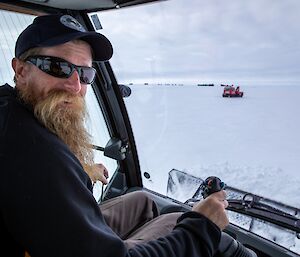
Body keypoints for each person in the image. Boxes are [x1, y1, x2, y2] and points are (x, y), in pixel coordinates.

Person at [0, 14, 229, 257]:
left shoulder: (10, 111)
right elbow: (41, 168)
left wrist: (81, 170)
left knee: (143, 201)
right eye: (58, 67)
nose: (76, 86)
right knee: (177, 221)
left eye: (85, 74)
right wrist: (201, 229)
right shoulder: (35, 153)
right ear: (21, 70)